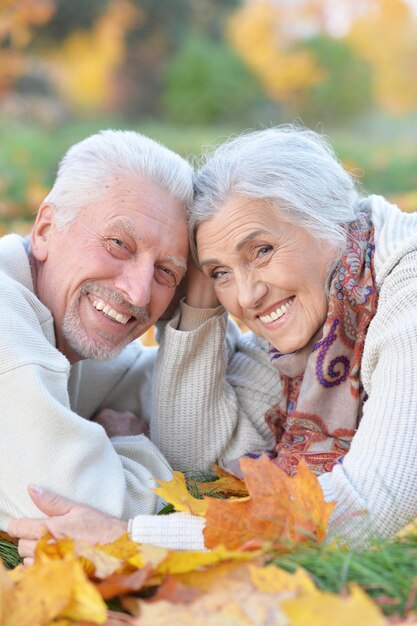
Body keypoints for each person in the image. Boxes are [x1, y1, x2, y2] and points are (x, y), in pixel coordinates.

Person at [10, 125, 417, 558]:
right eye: (220, 272)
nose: (246, 296)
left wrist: (129, 539)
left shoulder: (396, 294)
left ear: (328, 222)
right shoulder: (316, 314)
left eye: (261, 250)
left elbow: (374, 505)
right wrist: (202, 301)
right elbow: (198, 459)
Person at [0, 128, 200, 547]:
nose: (139, 292)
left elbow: (167, 395)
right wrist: (133, 445)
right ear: (45, 230)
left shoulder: (62, 321)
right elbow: (86, 509)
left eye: (167, 272)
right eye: (118, 244)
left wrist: (201, 317)